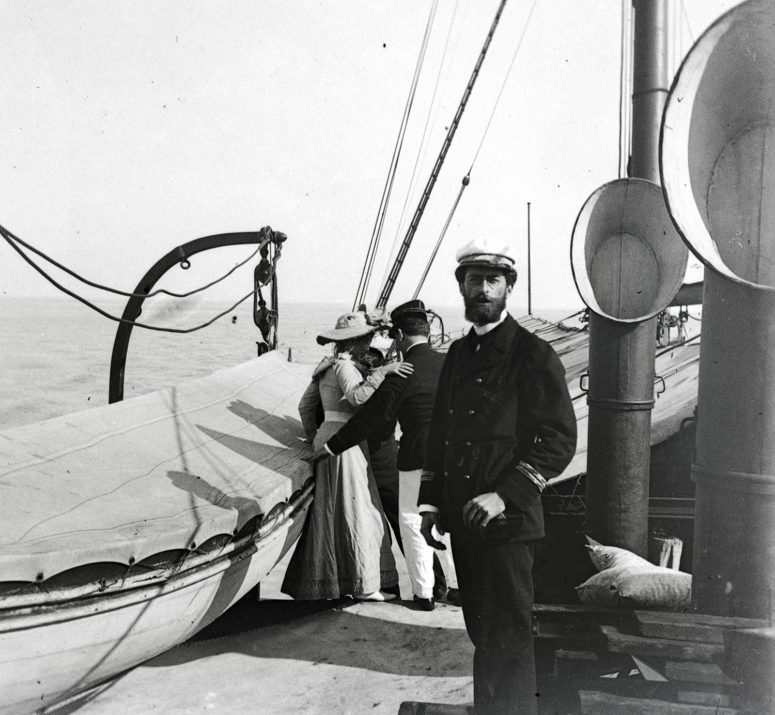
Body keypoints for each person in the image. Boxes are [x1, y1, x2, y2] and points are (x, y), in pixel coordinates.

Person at [418, 239, 577, 714]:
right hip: (463, 525)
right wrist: (430, 505)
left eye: (493, 280)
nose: (483, 289)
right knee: (482, 635)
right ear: (462, 286)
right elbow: (440, 433)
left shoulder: (532, 354)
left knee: (508, 637)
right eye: (474, 279)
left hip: (508, 527)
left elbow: (557, 440)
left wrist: (504, 496)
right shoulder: (458, 354)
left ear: (509, 287)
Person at [314, 300, 458, 611]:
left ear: (401, 336)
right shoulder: (451, 364)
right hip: (455, 458)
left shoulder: (401, 373)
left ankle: (424, 594)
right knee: (448, 522)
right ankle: (455, 587)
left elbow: (372, 418)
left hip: (414, 458)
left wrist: (330, 446)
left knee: (411, 520)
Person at [281, 310, 413, 601]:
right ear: (353, 342)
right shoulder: (344, 366)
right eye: (365, 339)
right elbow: (356, 397)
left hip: (329, 438)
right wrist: (383, 372)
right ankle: (363, 584)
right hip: (346, 442)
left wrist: (316, 436)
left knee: (336, 512)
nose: (369, 343)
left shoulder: (326, 366)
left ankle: (339, 582)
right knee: (360, 512)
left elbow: (305, 406)